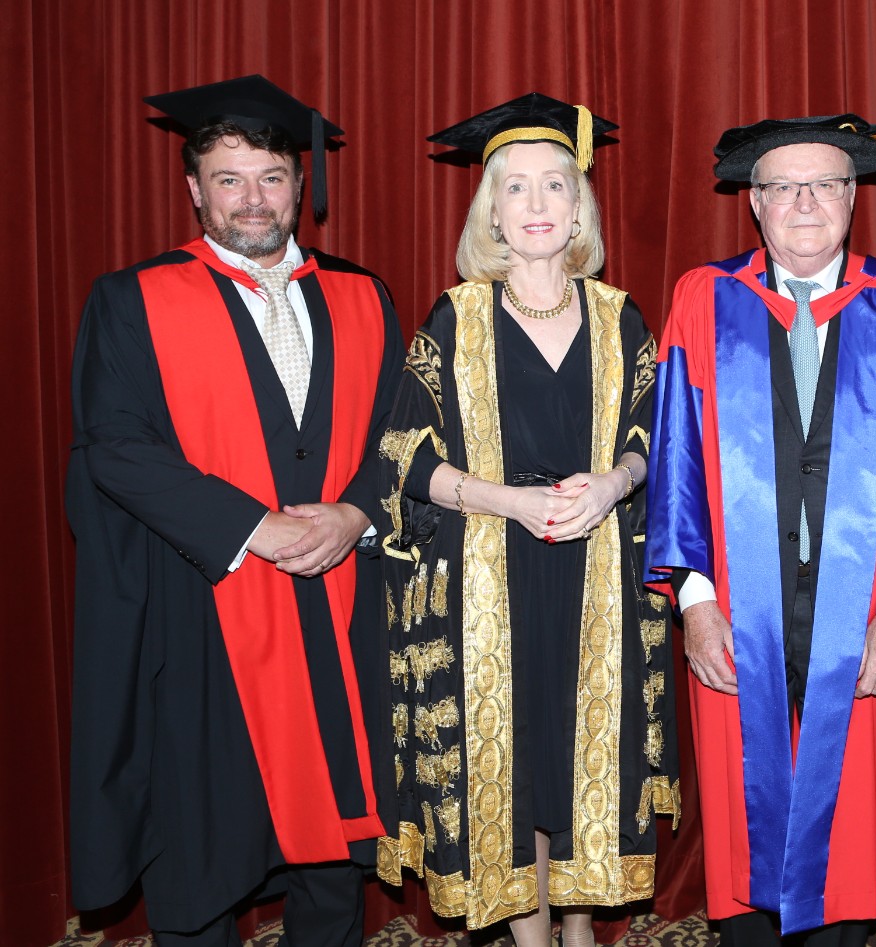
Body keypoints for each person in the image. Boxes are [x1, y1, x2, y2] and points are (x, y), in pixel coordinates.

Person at [66, 75, 403, 946]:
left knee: (334, 855)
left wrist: (355, 516)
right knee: (203, 851)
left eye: (271, 177)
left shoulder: (363, 296)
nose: (252, 199)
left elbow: (406, 438)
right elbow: (116, 447)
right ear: (193, 189)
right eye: (228, 178)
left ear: (300, 185)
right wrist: (257, 526)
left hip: (338, 605)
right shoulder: (134, 299)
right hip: (206, 613)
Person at [645, 113, 876, 946]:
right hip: (733, 610)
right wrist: (692, 602)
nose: (806, 201)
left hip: (867, 611)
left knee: (848, 836)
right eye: (784, 186)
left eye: (827, 183)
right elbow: (674, 461)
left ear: (854, 197)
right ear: (754, 204)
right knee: (741, 826)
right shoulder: (704, 296)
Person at [374, 93, 679, 947]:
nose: (540, 205)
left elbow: (657, 441)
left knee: (572, 766)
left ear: (580, 206)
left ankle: (577, 929)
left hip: (596, 581)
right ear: (493, 214)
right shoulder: (453, 319)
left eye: (557, 186)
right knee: (510, 770)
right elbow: (405, 460)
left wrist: (616, 482)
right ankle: (532, 937)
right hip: (489, 583)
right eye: (518, 189)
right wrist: (509, 498)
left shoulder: (623, 318)